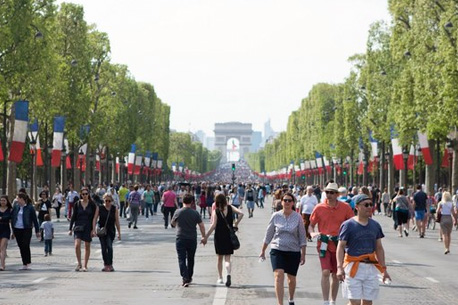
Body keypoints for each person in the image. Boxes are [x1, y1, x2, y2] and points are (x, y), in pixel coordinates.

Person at [336, 194, 391, 305]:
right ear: (357, 207)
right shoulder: (348, 225)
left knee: (367, 302)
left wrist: (384, 270)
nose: (369, 207)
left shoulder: (375, 225)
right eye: (366, 205)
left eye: (371, 204)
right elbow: (341, 247)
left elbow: (379, 248)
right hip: (353, 267)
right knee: (354, 302)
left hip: (370, 268)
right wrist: (339, 267)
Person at [309, 182, 354, 305]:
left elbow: (352, 224)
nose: (329, 195)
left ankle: (332, 300)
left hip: (339, 244)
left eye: (332, 192)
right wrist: (312, 233)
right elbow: (311, 225)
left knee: (335, 274)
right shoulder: (319, 208)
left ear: (337, 194)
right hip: (323, 244)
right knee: (325, 272)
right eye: (327, 192)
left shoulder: (345, 207)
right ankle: (325, 301)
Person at [259, 192, 307, 305]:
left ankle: (291, 299)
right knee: (278, 275)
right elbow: (268, 234)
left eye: (289, 200)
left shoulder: (298, 217)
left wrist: (303, 253)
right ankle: (280, 303)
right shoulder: (276, 216)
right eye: (285, 200)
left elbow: (302, 236)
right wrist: (263, 250)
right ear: (281, 202)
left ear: (293, 203)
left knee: (291, 279)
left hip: (293, 251)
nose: (287, 202)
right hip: (277, 249)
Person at [203, 193, 244, 287]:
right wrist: (236, 224)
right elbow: (241, 213)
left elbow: (213, 226)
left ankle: (220, 277)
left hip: (219, 236)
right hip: (228, 236)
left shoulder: (216, 211)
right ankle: (228, 274)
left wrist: (205, 236)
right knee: (227, 258)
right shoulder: (230, 207)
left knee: (219, 258)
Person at [171, 193, 206, 287]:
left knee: (181, 258)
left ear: (182, 201)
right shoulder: (195, 212)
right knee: (191, 258)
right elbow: (201, 225)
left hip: (180, 237)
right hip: (192, 238)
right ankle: (189, 276)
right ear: (192, 202)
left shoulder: (178, 212)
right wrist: (204, 236)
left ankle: (185, 277)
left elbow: (173, 224)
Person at [68, 187, 98, 272]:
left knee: (87, 246)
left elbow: (94, 218)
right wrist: (70, 228)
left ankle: (85, 265)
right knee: (77, 245)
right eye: (83, 194)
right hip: (78, 226)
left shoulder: (92, 204)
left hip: (88, 227)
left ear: (88, 195)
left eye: (86, 194)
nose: (85, 195)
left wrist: (93, 229)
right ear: (81, 195)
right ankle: (79, 264)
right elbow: (73, 217)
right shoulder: (77, 204)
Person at [11, 193, 40, 270]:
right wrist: (13, 231)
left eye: (18, 198)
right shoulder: (16, 207)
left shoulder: (30, 208)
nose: (16, 200)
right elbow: (12, 217)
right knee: (20, 246)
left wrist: (37, 231)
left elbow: (35, 220)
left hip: (27, 228)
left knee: (25, 244)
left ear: (22, 199)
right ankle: (24, 263)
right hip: (17, 229)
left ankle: (28, 262)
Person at [93, 193, 121, 271]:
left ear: (111, 201)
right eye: (106, 201)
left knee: (109, 246)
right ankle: (106, 264)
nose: (107, 202)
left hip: (111, 230)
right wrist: (94, 229)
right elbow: (95, 218)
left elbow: (117, 221)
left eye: (109, 201)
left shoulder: (114, 209)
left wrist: (119, 233)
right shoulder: (99, 208)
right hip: (102, 230)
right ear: (103, 200)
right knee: (103, 247)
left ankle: (110, 264)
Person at [0, 195, 13, 270]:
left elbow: (10, 218)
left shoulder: (10, 210)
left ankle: (2, 265)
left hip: (5, 229)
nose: (2, 202)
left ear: (7, 201)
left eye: (4, 200)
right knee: (1, 249)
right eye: (1, 200)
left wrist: (2, 218)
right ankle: (3, 263)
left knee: (2, 247)